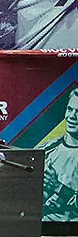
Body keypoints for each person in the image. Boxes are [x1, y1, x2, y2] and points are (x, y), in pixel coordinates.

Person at [41, 87, 78, 221]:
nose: (72, 116)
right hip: (42, 223)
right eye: (70, 109)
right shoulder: (47, 148)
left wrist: (58, 187)